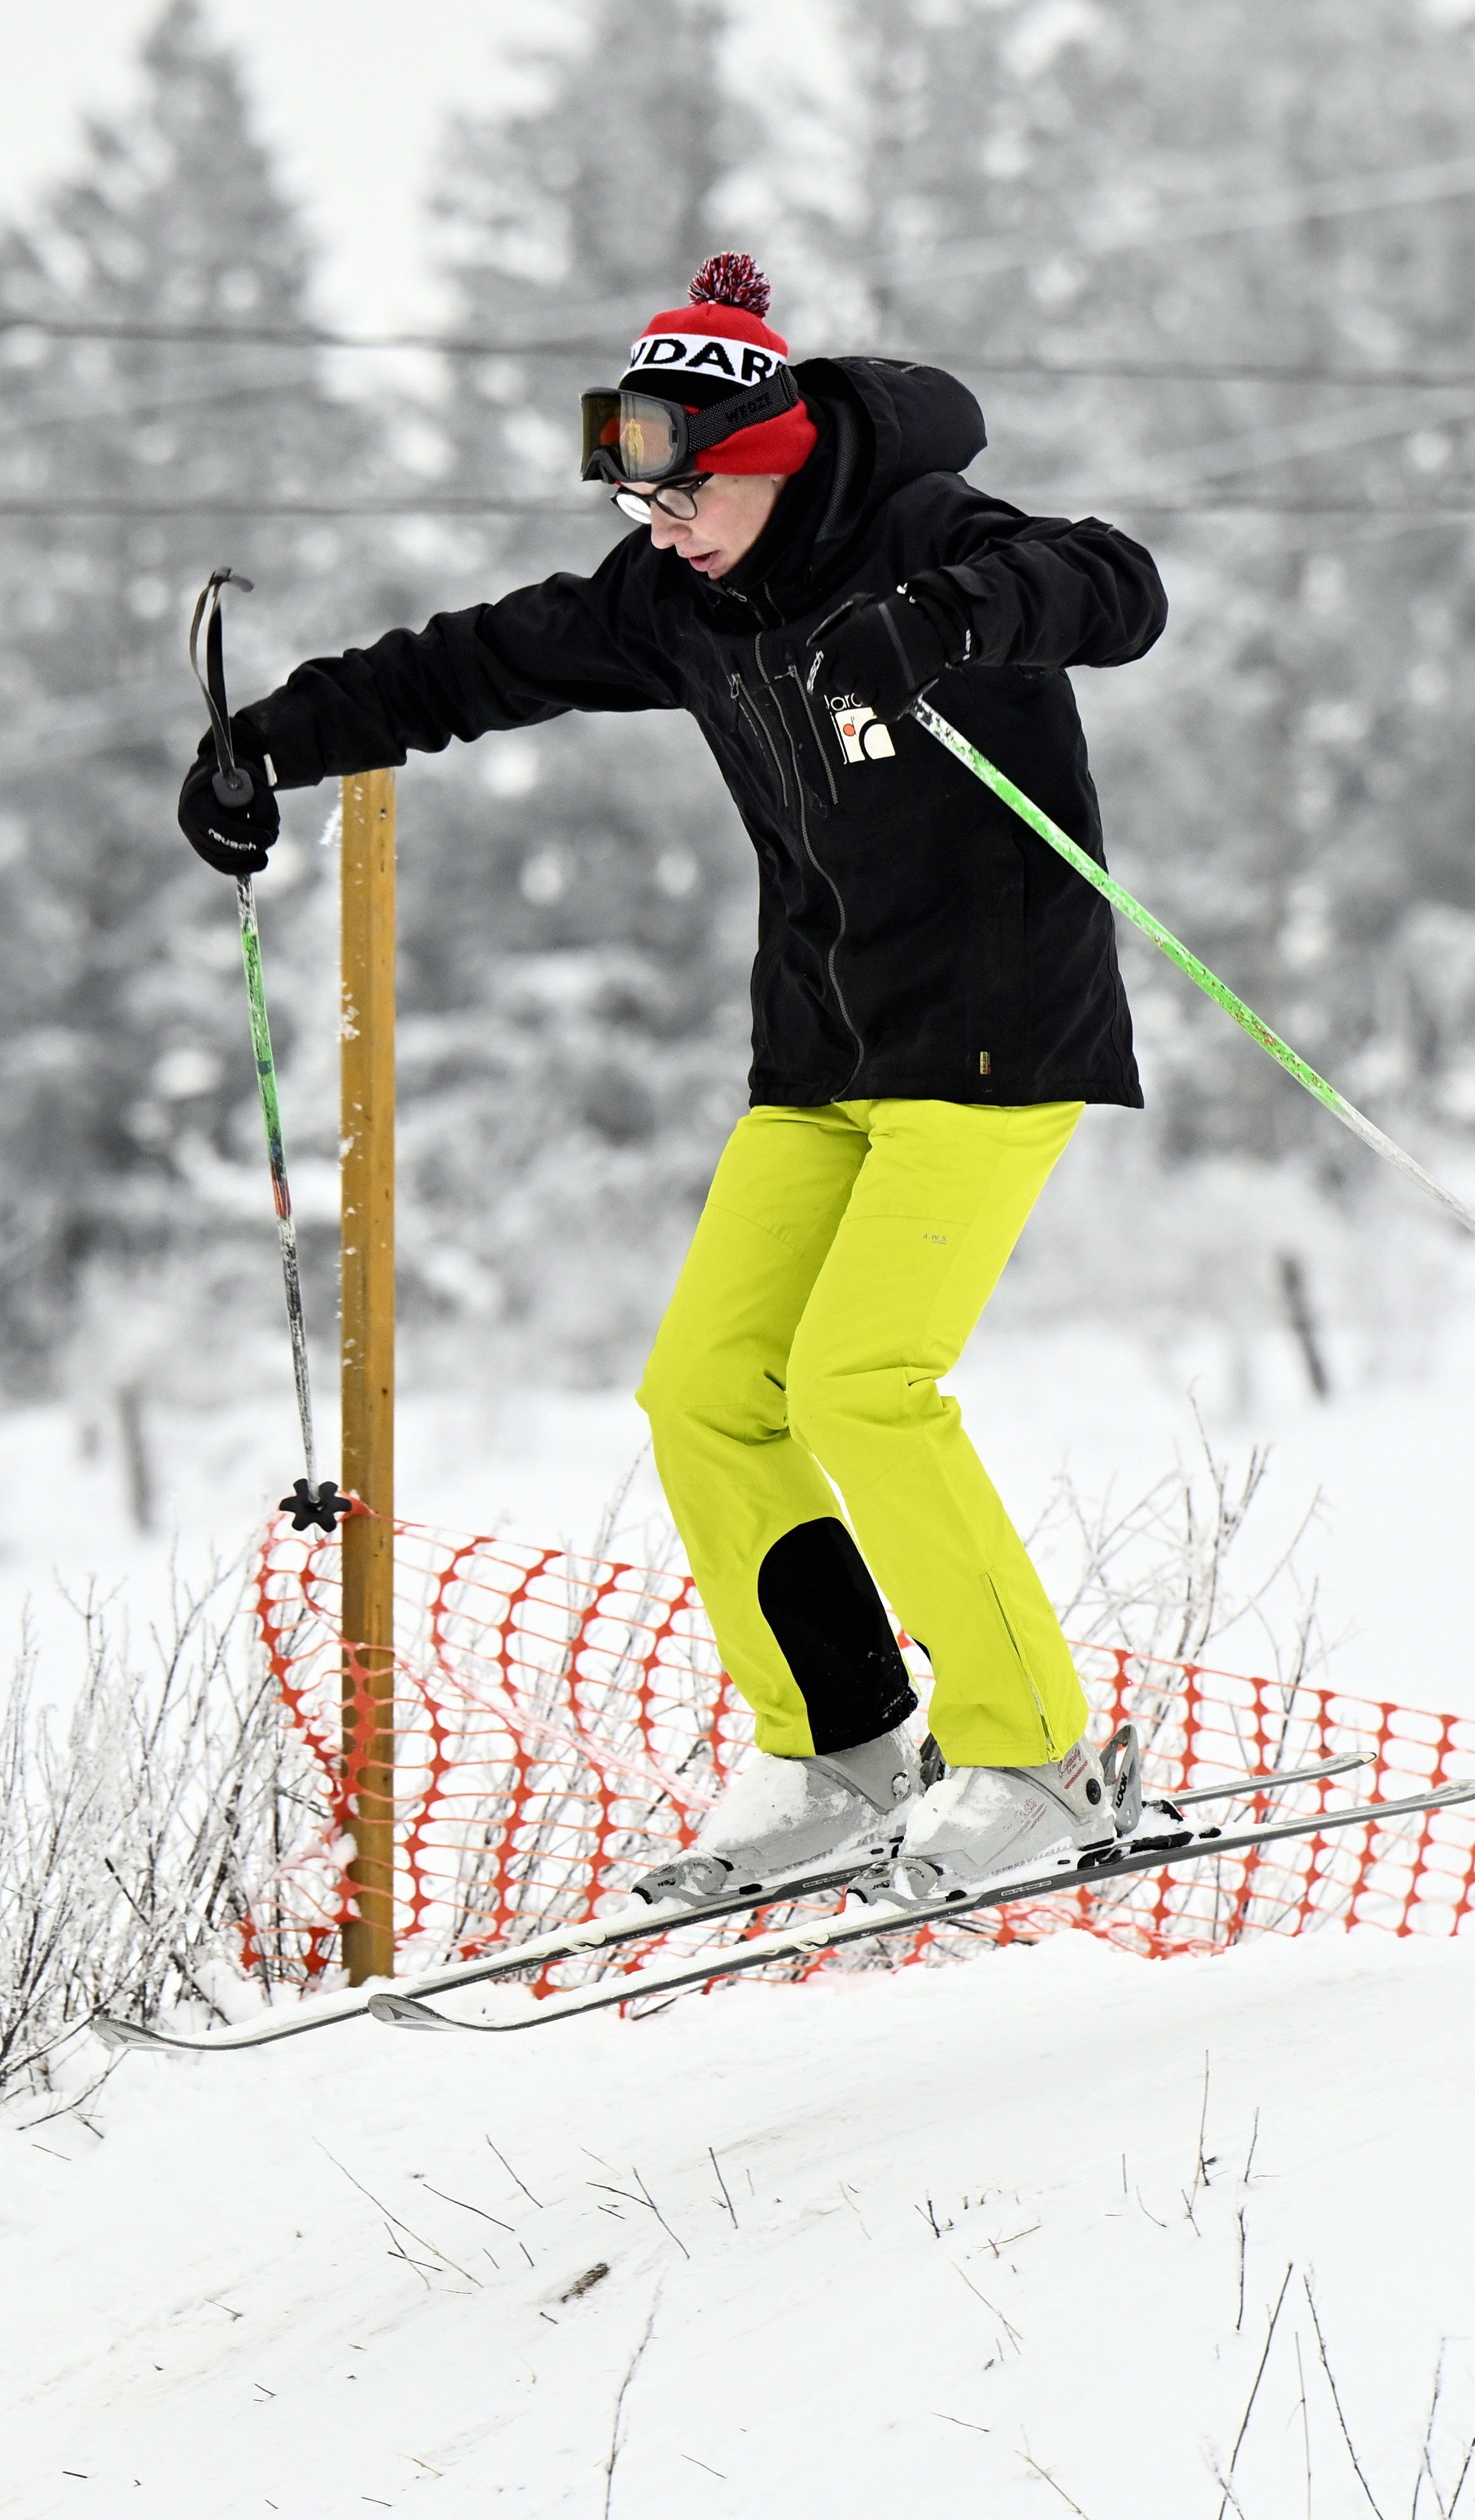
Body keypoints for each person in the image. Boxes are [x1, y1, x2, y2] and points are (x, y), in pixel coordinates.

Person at [174, 253, 1168, 1905]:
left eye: (682, 489)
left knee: (863, 1383)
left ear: (770, 454)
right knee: (705, 1390)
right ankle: (844, 1746)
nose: (658, 526)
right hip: (820, 1056)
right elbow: (475, 665)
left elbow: (1117, 586)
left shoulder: (927, 537)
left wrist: (947, 621)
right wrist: (273, 740)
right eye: (637, 498)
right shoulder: (685, 597)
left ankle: (1033, 1758)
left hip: (994, 1040)